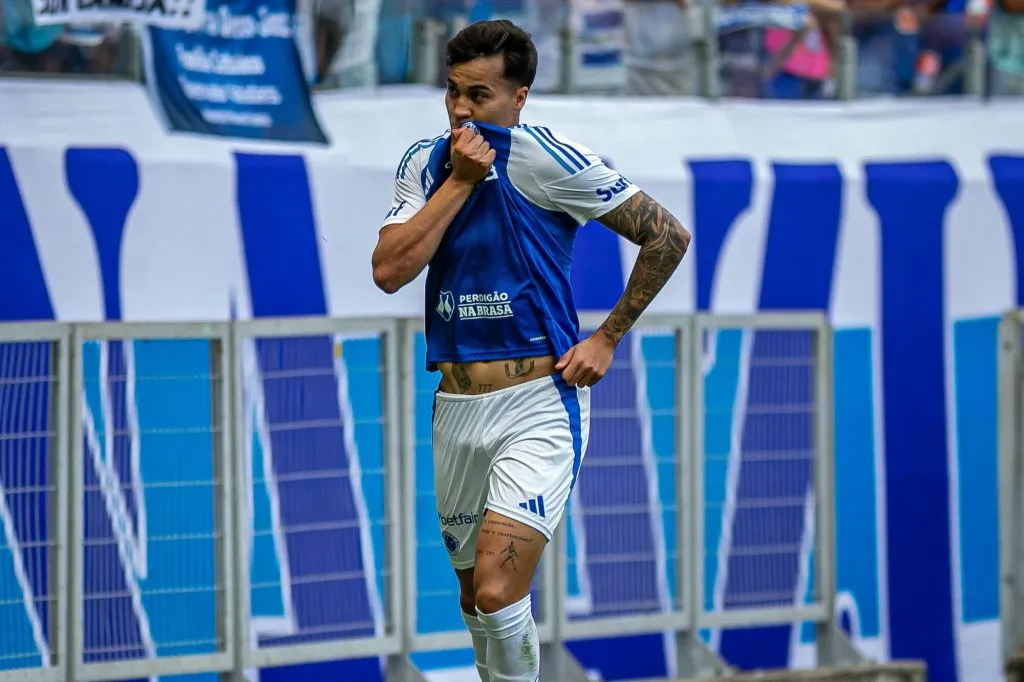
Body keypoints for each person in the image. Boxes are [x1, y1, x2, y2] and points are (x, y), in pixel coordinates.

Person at [371, 18, 691, 682]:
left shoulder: (549, 158)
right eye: (454, 92)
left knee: (497, 589)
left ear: (518, 98)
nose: (463, 109)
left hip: (536, 406)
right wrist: (457, 183)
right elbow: (390, 270)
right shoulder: (424, 163)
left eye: (480, 95)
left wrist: (606, 338)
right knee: (473, 601)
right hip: (455, 406)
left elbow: (666, 236)